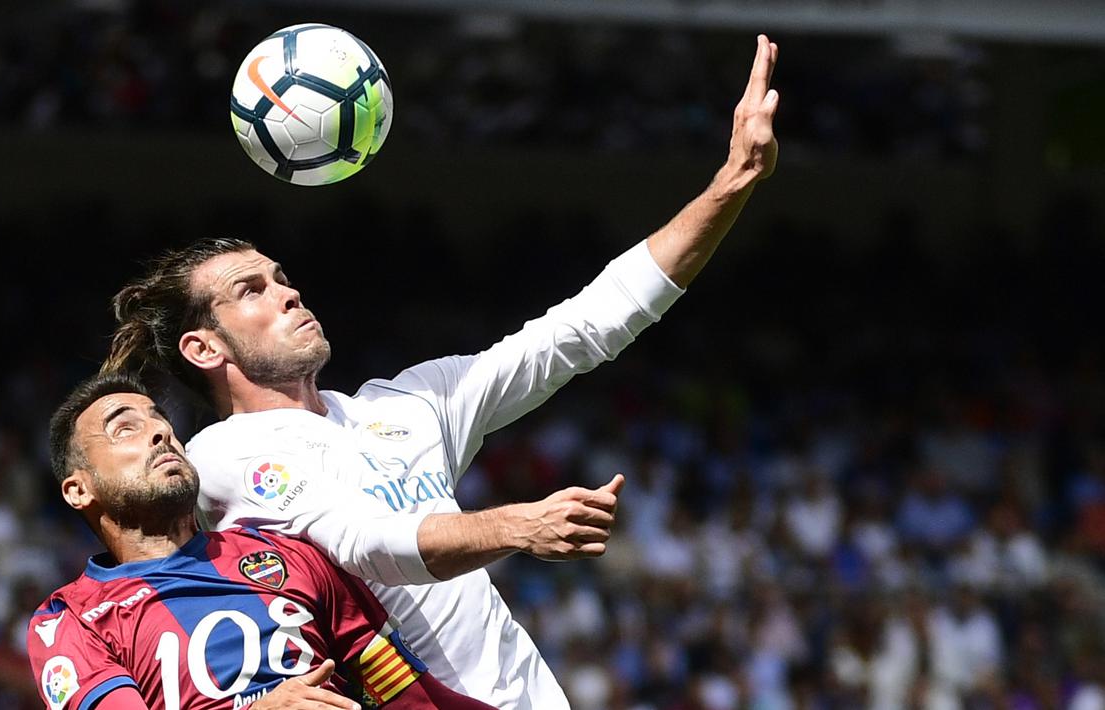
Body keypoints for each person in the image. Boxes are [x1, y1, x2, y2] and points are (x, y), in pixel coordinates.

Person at [102, 35, 781, 709]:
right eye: (250, 291)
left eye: (281, 278)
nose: (287, 293)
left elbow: (584, 326)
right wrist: (517, 527)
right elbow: (366, 546)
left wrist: (732, 183)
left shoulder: (404, 405)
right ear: (203, 349)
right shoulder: (222, 456)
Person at [26, 371, 497, 710]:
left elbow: (406, 695)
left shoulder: (288, 554)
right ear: (78, 489)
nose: (159, 433)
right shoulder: (69, 621)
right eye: (124, 428)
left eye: (159, 420)